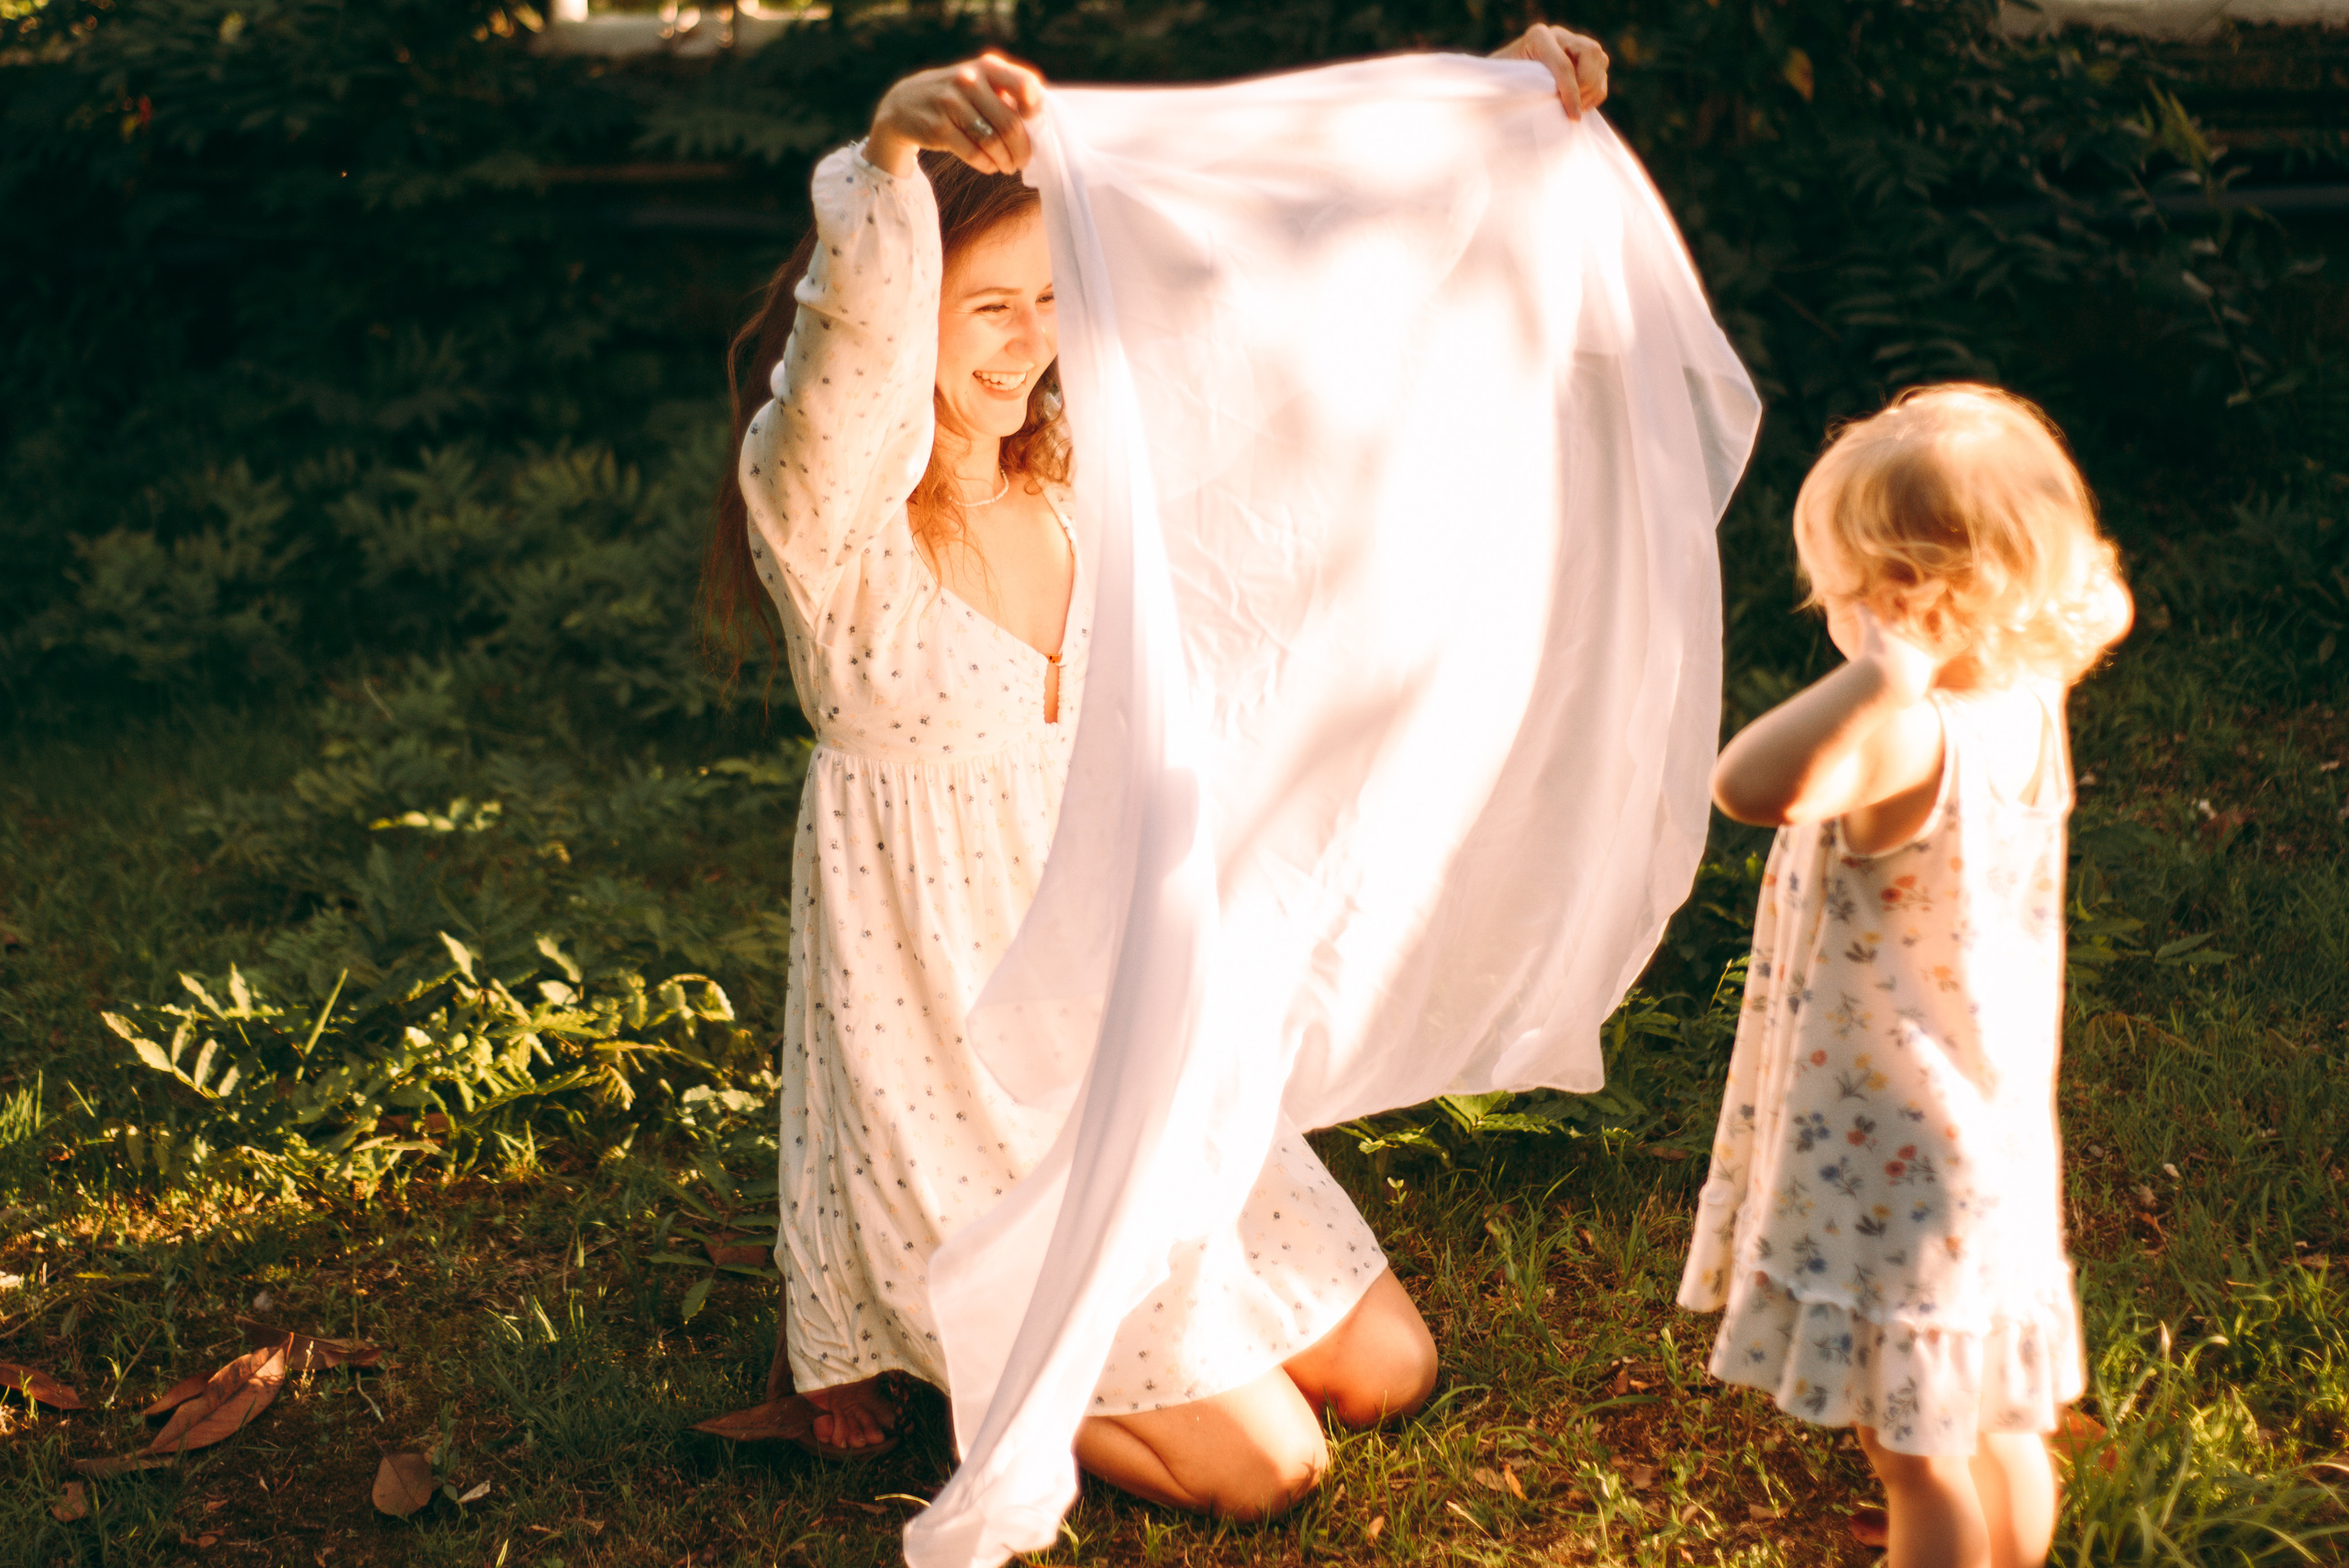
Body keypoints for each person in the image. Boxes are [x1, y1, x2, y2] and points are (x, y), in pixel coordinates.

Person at [700, 26, 1612, 1521]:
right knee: (1272, 1469)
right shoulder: (834, 528)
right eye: (985, 305)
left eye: (1052, 304)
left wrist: (1483, 105)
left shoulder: (1074, 485)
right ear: (916, 302)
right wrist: (884, 158)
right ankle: (960, 1334)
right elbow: (841, 347)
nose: (1024, 343)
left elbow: (1291, 279)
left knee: (1390, 1370)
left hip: (1117, 1042)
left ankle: (1120, 1312)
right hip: (956, 1063)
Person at [1676, 384, 2133, 1568]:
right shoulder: (2031, 698)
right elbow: (2103, 604)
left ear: (1900, 609)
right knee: (1994, 1418)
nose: (1827, 609)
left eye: (1836, 592)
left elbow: (1746, 785)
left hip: (1888, 1151)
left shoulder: (1904, 733)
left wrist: (1882, 679)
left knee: (1916, 1461)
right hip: (1989, 1139)